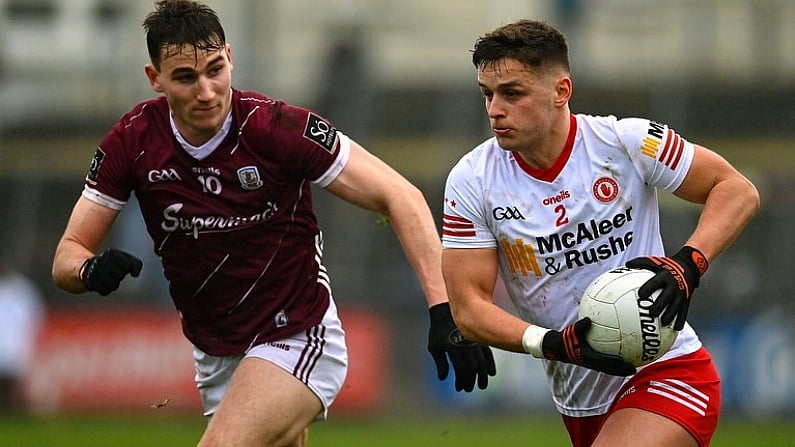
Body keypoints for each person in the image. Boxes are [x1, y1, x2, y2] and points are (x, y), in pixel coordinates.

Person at [51, 1, 494, 446]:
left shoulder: (276, 127)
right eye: (186, 77)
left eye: (215, 69)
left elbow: (401, 196)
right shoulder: (133, 142)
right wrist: (88, 270)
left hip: (298, 334)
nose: (206, 91)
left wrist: (445, 309)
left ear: (230, 58)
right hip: (217, 353)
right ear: (155, 79)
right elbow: (69, 252)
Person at [441, 19, 759, 447]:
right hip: (579, 399)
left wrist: (689, 264)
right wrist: (552, 344)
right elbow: (468, 307)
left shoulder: (627, 141)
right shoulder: (471, 180)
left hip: (668, 370)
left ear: (561, 91)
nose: (495, 109)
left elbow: (736, 189)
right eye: (488, 94)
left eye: (512, 94)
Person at [0, 263, 45, 412]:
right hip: (10, 346)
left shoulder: (21, 289)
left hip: (12, 347)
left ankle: (12, 412)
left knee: (9, 387)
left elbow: (34, 317)